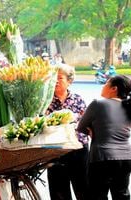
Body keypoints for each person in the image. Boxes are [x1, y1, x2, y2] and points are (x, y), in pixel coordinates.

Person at [77, 75, 131, 200]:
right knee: (122, 195)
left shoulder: (98, 104)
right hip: (126, 158)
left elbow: (81, 127)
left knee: (98, 195)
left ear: (114, 89)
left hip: (102, 157)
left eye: (106, 83)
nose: (103, 86)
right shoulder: (129, 105)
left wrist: (92, 131)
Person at [46, 64, 88, 200]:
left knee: (83, 188)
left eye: (60, 78)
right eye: (54, 78)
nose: (56, 81)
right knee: (59, 192)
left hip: (78, 149)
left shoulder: (78, 99)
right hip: (55, 151)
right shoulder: (45, 101)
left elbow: (86, 123)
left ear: (69, 81)